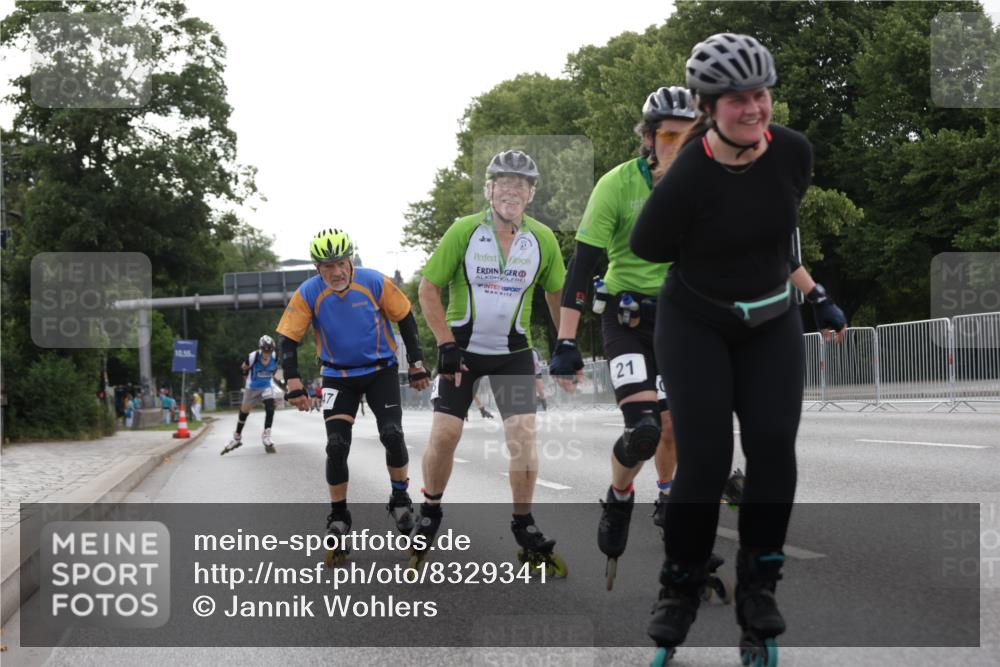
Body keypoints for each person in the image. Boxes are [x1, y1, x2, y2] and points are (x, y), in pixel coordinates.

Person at [629, 33, 847, 664]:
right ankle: (680, 587)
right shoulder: (689, 172)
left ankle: (759, 586)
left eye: (761, 94)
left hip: (771, 320)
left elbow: (775, 240)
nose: (752, 108)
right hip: (695, 322)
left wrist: (815, 294)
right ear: (706, 105)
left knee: (774, 447)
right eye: (735, 99)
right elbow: (647, 246)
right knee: (705, 459)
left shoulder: (794, 155)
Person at [548, 86, 694, 589]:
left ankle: (670, 497)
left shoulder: (706, 184)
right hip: (627, 321)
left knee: (674, 428)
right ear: (649, 139)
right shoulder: (615, 186)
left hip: (680, 320)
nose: (680, 144)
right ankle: (619, 495)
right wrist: (566, 342)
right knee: (644, 431)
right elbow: (582, 267)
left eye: (690, 134)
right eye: (669, 135)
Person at [416, 149, 567, 573]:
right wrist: (444, 342)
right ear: (489, 189)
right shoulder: (464, 231)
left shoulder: (543, 239)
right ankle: (430, 509)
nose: (512, 190)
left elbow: (556, 294)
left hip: (513, 354)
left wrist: (565, 344)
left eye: (521, 184)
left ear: (531, 194)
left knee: (523, 433)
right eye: (504, 182)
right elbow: (428, 289)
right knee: (446, 434)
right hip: (461, 351)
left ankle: (524, 523)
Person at [278, 228, 430, 560]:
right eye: (327, 266)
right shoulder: (308, 293)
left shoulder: (374, 282)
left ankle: (401, 499)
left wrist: (417, 364)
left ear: (351, 260)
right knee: (336, 445)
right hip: (337, 375)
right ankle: (339, 516)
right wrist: (293, 383)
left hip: (380, 371)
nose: (336, 272)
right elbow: (288, 340)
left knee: (391, 432)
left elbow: (406, 318)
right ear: (318, 268)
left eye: (341, 263)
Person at [221, 335, 282, 454]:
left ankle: (266, 435)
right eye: (265, 350)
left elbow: (275, 370)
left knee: (270, 408)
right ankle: (237, 437)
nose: (267, 353)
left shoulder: (275, 357)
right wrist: (246, 373)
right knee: (244, 413)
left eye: (269, 350)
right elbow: (242, 369)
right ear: (261, 348)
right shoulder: (253, 356)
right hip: (252, 388)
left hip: (266, 386)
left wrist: (274, 377)